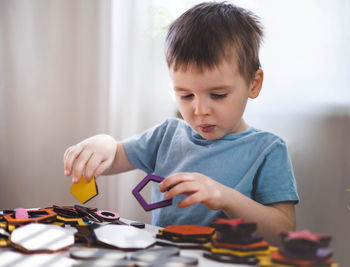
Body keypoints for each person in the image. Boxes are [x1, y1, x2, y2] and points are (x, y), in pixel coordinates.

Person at [63, 2, 299, 245]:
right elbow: (116, 156)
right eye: (186, 95)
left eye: (218, 95)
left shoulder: (268, 149)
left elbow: (283, 232)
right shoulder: (167, 134)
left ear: (254, 83)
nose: (199, 110)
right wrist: (105, 144)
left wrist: (226, 197)